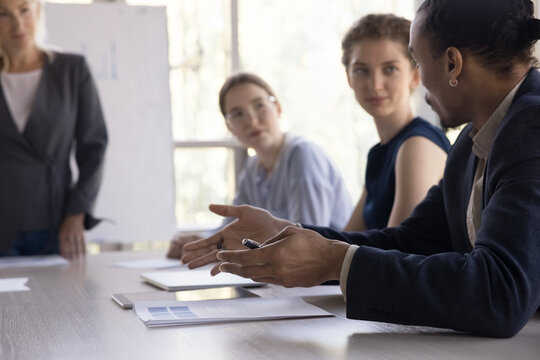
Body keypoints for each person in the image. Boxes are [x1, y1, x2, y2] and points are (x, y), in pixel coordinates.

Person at [183, 0, 540, 338]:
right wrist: (287, 233)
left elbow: (501, 291)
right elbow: (410, 240)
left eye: (414, 60)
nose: (415, 77)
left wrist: (335, 261)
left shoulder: (532, 126)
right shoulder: (470, 143)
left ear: (452, 64)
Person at [167, 72, 352, 258]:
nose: (252, 120)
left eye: (259, 105)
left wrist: (218, 246)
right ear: (230, 128)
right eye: (238, 114)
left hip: (328, 279)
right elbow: (230, 229)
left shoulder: (303, 155)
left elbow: (304, 242)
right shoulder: (252, 169)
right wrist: (198, 242)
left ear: (278, 108)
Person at [0, 0, 107, 258]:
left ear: (38, 10)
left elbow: (94, 148)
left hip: (57, 222)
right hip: (3, 222)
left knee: (64, 298)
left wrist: (77, 213)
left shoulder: (72, 70)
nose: (18, 23)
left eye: (24, 9)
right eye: (3, 14)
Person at [340, 14, 450, 231]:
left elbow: (396, 253)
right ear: (349, 78)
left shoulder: (417, 145)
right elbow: (342, 243)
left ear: (415, 76)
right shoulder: (379, 154)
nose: (375, 84)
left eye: (389, 69)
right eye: (361, 70)